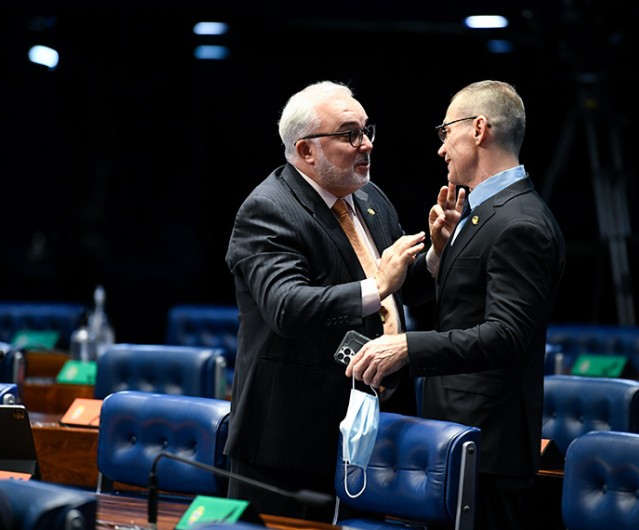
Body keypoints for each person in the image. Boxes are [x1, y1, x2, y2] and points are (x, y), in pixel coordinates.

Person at [346, 80, 567, 530]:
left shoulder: (520, 222)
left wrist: (409, 347)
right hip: (457, 437)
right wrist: (442, 258)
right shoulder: (483, 212)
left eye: (447, 132)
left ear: (479, 129)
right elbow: (466, 307)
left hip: (490, 449)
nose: (442, 149)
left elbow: (506, 337)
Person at [223, 80, 426, 522]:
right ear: (306, 150)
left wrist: (436, 256)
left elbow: (403, 284)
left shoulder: (369, 198)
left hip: (374, 428)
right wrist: (377, 285)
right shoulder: (269, 208)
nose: (366, 144)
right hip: (289, 440)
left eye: (367, 129)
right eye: (349, 134)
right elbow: (286, 307)